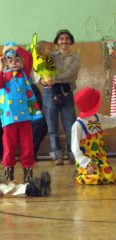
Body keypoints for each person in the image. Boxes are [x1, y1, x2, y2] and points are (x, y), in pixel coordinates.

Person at [0, 41, 42, 182]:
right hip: (9, 119)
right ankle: (8, 172)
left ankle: (28, 172)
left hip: (24, 117)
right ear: (6, 62)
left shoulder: (24, 74)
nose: (14, 62)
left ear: (21, 61)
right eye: (10, 60)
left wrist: (12, 47)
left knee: (27, 146)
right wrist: (1, 68)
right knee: (9, 146)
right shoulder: (3, 75)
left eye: (17, 59)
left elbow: (29, 57)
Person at [40, 29, 80, 165]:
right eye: (61, 38)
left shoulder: (75, 57)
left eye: (67, 38)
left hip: (66, 92)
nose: (64, 41)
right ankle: (57, 155)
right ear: (57, 41)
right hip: (49, 92)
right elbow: (38, 71)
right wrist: (42, 80)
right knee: (52, 126)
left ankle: (72, 154)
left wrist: (52, 78)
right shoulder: (49, 55)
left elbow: (71, 75)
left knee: (71, 125)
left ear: (71, 41)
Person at [71, 87, 116, 185]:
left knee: (109, 177)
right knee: (96, 178)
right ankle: (78, 176)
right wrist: (86, 163)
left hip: (100, 158)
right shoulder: (77, 125)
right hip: (86, 161)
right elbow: (75, 149)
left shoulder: (98, 118)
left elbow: (113, 121)